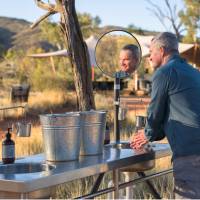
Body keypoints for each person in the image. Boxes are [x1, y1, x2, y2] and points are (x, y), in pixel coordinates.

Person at [130, 32, 200, 199]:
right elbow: (178, 111)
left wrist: (146, 134)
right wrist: (154, 133)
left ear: (161, 51)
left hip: (190, 153)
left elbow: (155, 112)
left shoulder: (164, 73)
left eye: (152, 53)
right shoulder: (193, 72)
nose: (150, 58)